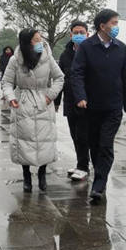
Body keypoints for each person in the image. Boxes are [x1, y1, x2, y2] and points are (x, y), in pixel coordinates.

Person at [70, 8, 126, 202]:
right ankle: (100, 175)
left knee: (106, 144)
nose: (116, 27)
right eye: (114, 23)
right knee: (95, 145)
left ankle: (99, 183)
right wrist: (80, 96)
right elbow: (77, 73)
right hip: (91, 107)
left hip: (113, 107)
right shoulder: (86, 47)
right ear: (102, 26)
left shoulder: (121, 48)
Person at [2, 29, 64, 192]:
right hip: (22, 103)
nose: (40, 42)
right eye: (36, 40)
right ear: (27, 42)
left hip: (43, 102)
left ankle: (42, 174)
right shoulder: (15, 60)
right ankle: (26, 176)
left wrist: (50, 96)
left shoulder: (47, 57)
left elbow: (59, 77)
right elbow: (7, 82)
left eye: (40, 39)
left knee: (45, 141)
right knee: (23, 141)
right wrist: (11, 97)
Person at [56, 20, 91, 181]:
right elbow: (60, 79)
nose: (78, 35)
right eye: (75, 32)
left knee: (83, 135)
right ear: (70, 34)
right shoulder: (65, 55)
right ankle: (81, 163)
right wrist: (57, 102)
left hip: (86, 101)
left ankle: (83, 166)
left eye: (81, 32)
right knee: (74, 135)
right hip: (70, 101)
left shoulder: (91, 52)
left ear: (87, 34)